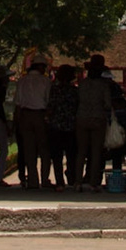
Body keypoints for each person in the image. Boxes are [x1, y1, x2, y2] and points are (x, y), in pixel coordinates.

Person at [75, 54, 113, 191]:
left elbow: (77, 101)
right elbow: (107, 104)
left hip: (82, 118)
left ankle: (78, 182)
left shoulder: (82, 84)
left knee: (81, 151)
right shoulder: (103, 86)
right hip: (98, 118)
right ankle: (93, 182)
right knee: (96, 151)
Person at [13, 59, 51, 189]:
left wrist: (17, 122)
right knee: (44, 150)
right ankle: (45, 179)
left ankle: (33, 181)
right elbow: (48, 101)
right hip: (40, 115)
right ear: (40, 67)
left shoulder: (22, 81)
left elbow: (18, 104)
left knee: (29, 150)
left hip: (25, 115)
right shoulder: (45, 81)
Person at [46, 63, 79, 191]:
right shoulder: (74, 91)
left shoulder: (54, 90)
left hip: (56, 126)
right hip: (71, 126)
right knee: (71, 155)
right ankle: (72, 178)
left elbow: (50, 106)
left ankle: (59, 182)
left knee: (57, 156)